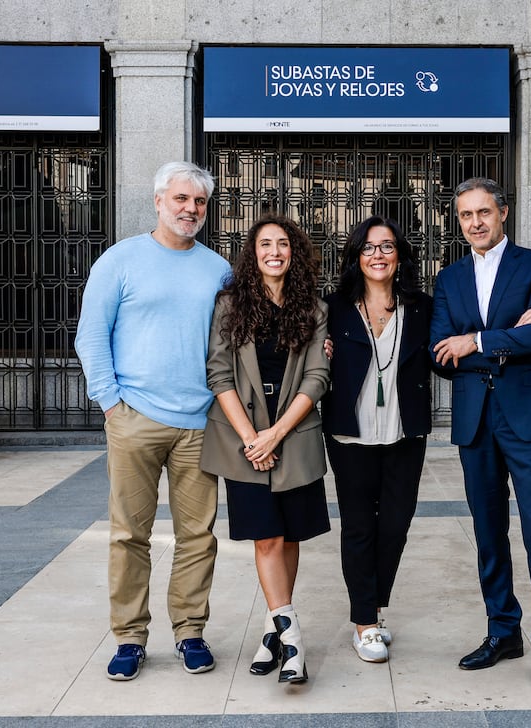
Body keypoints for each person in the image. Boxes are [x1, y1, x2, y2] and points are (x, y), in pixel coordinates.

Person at [74, 161, 232, 681]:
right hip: (134, 419)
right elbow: (91, 335)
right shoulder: (120, 260)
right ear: (159, 200)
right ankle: (129, 637)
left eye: (200, 203)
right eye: (182, 199)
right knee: (128, 535)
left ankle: (189, 631)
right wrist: (111, 405)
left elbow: (237, 339)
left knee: (198, 536)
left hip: (199, 423)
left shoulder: (218, 269)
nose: (191, 210)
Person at [430, 177, 531, 695]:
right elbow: (437, 351)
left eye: (484, 212)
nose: (475, 223)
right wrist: (502, 340)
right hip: (476, 417)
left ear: (503, 212)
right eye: (466, 215)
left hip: (528, 415)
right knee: (489, 533)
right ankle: (502, 632)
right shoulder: (448, 278)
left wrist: (476, 341)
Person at [199, 214, 330, 685]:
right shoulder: (230, 305)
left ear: (294, 252)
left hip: (293, 437)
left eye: (283, 244)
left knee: (290, 536)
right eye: (264, 245)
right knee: (267, 538)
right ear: (252, 255)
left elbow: (318, 376)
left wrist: (275, 435)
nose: (274, 252)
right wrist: (253, 438)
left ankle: (275, 631)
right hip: (242, 440)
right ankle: (294, 643)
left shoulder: (313, 309)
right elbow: (219, 375)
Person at [320, 216, 432, 663]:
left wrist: (497, 334)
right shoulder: (334, 307)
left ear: (399, 254)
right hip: (351, 433)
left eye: (386, 247)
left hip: (405, 431)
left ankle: (376, 608)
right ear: (356, 258)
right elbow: (304, 353)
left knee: (396, 526)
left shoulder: (422, 306)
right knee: (360, 526)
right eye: (368, 248)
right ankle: (365, 622)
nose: (378, 255)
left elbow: (444, 355)